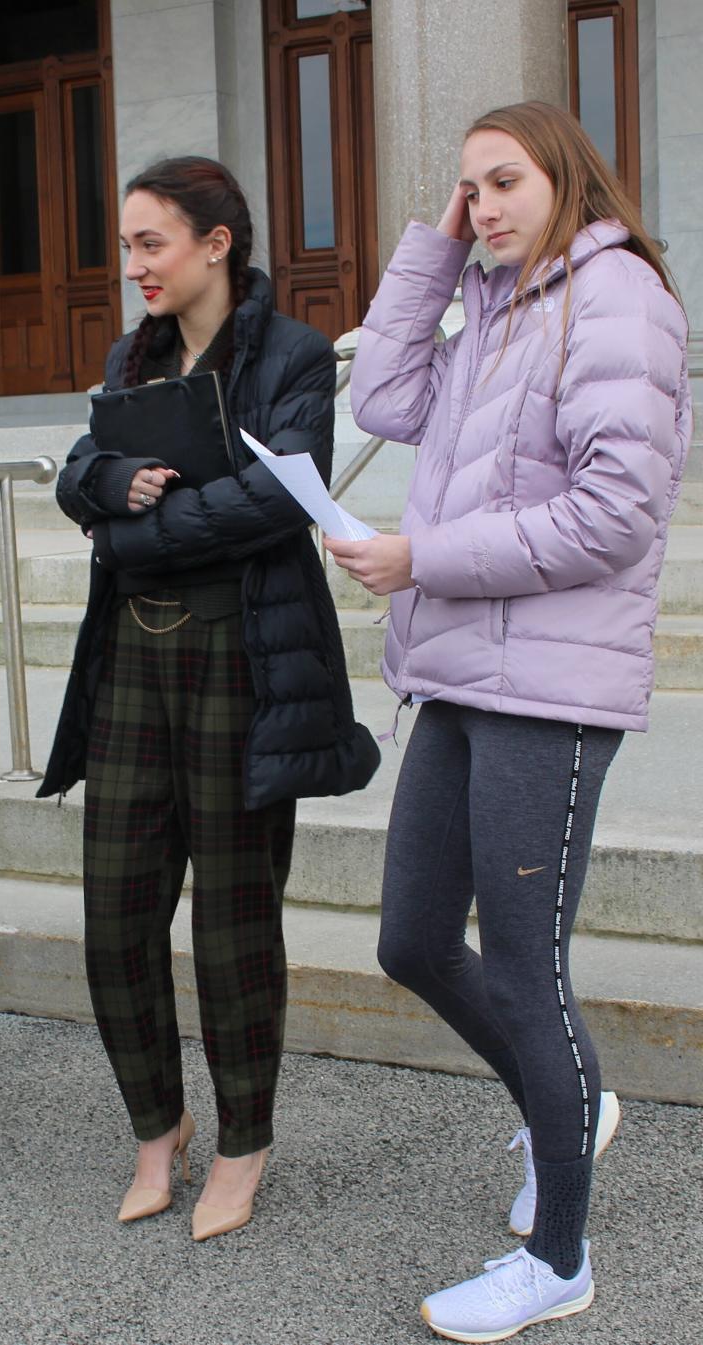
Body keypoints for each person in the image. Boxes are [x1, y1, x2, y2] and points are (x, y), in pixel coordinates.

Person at [326, 101, 689, 1341]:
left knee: (529, 975)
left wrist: (423, 552)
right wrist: (433, 249)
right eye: (467, 186)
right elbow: (378, 396)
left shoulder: (616, 299)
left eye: (504, 181)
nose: (483, 204)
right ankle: (567, 1104)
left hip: (552, 687)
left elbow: (614, 514)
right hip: (465, 676)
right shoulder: (488, 303)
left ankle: (560, 1256)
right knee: (413, 940)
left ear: (567, 179)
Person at [39, 156, 379, 1240]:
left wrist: (135, 530)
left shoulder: (292, 354)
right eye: (128, 244)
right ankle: (157, 1126)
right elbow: (77, 466)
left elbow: (283, 492)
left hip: (244, 658)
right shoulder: (127, 354)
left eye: (152, 242)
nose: (132, 263)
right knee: (114, 915)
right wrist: (103, 487)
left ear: (216, 244)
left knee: (234, 925)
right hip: (133, 661)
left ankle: (243, 1142)